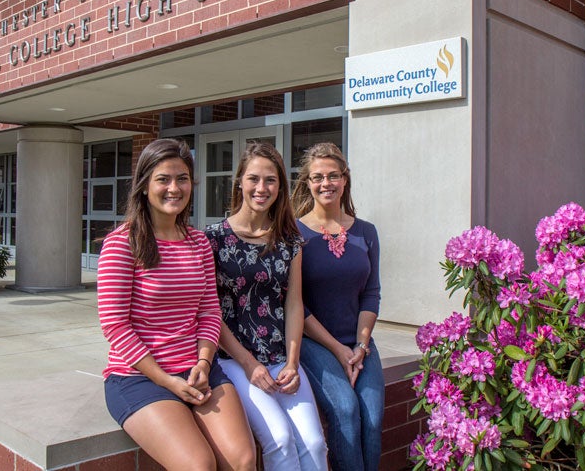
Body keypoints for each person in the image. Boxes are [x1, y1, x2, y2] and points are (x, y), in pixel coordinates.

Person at [97, 138, 256, 471]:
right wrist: (167, 381)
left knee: (242, 460)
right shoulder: (123, 243)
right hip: (140, 377)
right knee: (199, 465)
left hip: (198, 370)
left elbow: (209, 310)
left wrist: (203, 360)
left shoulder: (197, 241)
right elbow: (115, 325)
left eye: (182, 178)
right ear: (144, 186)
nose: (174, 188)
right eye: (163, 179)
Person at [205, 142, 328, 471]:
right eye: (254, 179)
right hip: (233, 358)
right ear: (240, 182)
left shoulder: (290, 240)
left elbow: (293, 304)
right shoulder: (213, 238)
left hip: (280, 357)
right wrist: (248, 364)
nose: (262, 188)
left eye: (271, 180)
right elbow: (210, 312)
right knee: (279, 439)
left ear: (281, 186)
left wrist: (292, 360)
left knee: (315, 444)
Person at [290, 142, 383, 471]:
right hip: (315, 343)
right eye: (317, 177)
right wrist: (338, 349)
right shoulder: (295, 233)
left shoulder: (366, 232)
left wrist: (359, 345)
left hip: (358, 343)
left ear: (345, 179)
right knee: (345, 409)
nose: (325, 183)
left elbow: (371, 294)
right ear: (308, 182)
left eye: (333, 176)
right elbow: (295, 305)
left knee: (371, 418)